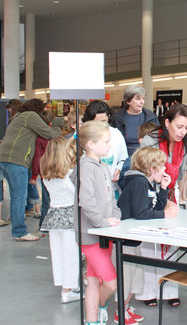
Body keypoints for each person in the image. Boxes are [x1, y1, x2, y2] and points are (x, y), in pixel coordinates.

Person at [137, 104, 187, 307]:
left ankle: (169, 288)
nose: (183, 132)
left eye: (186, 127)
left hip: (170, 193)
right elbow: (142, 170)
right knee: (150, 243)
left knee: (170, 243)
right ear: (167, 122)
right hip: (150, 193)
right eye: (179, 126)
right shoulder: (151, 140)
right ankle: (149, 292)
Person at [115, 147, 177, 323]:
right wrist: (165, 214)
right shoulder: (139, 183)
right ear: (152, 169)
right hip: (126, 239)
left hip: (135, 238)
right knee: (127, 276)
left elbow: (155, 208)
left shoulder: (148, 183)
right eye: (162, 167)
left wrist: (164, 188)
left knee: (135, 276)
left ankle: (125, 308)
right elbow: (142, 213)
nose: (165, 169)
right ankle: (120, 312)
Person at [0, 98, 62, 241]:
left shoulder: (18, 117)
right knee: (19, 197)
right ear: (38, 109)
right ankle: (20, 232)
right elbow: (49, 133)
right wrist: (59, 127)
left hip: (5, 159)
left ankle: (18, 230)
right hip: (16, 160)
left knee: (16, 197)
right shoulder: (30, 116)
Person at [77, 120, 121, 325]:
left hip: (105, 233)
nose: (109, 146)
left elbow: (110, 198)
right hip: (91, 235)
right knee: (111, 284)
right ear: (90, 144)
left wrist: (116, 217)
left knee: (94, 280)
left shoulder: (103, 166)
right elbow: (86, 201)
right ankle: (101, 306)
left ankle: (92, 320)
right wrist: (102, 222)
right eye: (106, 141)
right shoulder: (85, 167)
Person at [39, 137, 80, 304]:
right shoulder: (69, 174)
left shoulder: (46, 175)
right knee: (71, 255)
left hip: (53, 216)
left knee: (57, 254)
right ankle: (68, 290)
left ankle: (65, 285)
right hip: (70, 217)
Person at [83, 100, 128, 200]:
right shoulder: (83, 135)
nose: (101, 126)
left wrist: (119, 169)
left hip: (112, 187)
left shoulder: (116, 134)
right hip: (91, 190)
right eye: (96, 123)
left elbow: (123, 158)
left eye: (104, 121)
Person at [112, 85, 159, 156]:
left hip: (147, 156)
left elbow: (159, 138)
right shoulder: (117, 118)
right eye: (138, 99)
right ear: (128, 101)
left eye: (143, 99)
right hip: (124, 156)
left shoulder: (151, 117)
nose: (142, 102)